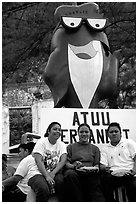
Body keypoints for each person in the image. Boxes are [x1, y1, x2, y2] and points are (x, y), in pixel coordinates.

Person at [64, 123, 105, 202]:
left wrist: (91, 169)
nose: (84, 134)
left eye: (86, 132)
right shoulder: (70, 147)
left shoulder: (95, 148)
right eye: (81, 132)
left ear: (90, 133)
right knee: (69, 174)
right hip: (75, 172)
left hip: (90, 173)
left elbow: (96, 166)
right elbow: (66, 164)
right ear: (78, 133)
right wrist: (75, 167)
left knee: (95, 179)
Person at [28, 122, 67, 202]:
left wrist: (53, 173)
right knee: (43, 188)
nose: (57, 131)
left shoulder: (62, 144)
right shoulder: (41, 142)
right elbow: (38, 161)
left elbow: (63, 161)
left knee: (62, 183)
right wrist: (47, 176)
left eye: (59, 130)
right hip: (38, 173)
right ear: (49, 131)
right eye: (55, 129)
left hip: (54, 173)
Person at [100, 122, 136, 202]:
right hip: (114, 175)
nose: (114, 134)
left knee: (134, 186)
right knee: (103, 179)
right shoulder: (104, 148)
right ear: (108, 135)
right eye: (111, 132)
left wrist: (134, 170)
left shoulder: (129, 143)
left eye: (116, 131)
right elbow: (102, 164)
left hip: (130, 174)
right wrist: (105, 168)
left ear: (121, 133)